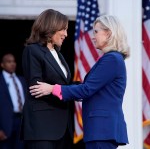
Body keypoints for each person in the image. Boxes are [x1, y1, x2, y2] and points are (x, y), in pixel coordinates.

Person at [29, 15, 130, 149]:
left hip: (102, 130)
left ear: (108, 33)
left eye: (96, 32)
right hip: (101, 130)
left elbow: (87, 89)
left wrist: (53, 89)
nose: (93, 37)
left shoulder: (112, 59)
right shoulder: (113, 59)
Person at [21, 9, 74, 149]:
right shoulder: (32, 51)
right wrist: (66, 91)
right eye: (63, 29)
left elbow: (63, 84)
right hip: (43, 128)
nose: (66, 34)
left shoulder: (57, 53)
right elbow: (36, 88)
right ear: (51, 27)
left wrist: (82, 88)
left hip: (62, 127)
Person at [0, 53, 26, 149]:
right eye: (9, 62)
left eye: (14, 61)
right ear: (2, 64)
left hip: (22, 123)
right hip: (5, 125)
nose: (12, 64)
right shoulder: (1, 81)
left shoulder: (22, 80)